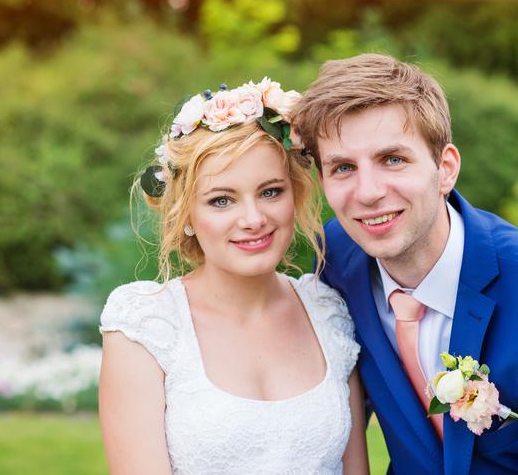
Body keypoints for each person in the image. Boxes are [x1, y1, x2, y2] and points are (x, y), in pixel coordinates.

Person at [292, 54, 518, 474]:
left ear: (445, 169)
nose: (368, 192)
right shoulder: (338, 259)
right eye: (343, 168)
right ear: (322, 181)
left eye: (393, 159)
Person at [98, 79, 369, 475]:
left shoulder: (329, 312)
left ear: (294, 194)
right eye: (221, 200)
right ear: (187, 214)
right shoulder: (146, 326)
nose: (253, 219)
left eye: (270, 192)